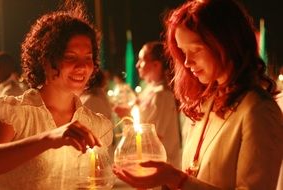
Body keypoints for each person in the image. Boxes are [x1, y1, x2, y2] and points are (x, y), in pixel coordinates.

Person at [113, 0, 283, 189]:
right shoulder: (208, 102)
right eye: (183, 52)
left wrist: (175, 178)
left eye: (195, 50)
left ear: (227, 43)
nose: (187, 62)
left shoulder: (259, 110)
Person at [0, 2, 113, 190]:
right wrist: (49, 138)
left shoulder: (97, 126)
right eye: (70, 57)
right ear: (46, 60)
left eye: (88, 58)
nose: (82, 66)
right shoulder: (16, 114)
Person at [116, 41, 181, 169]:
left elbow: (155, 138)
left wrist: (128, 117)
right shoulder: (149, 90)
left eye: (141, 60)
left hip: (163, 167)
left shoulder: (162, 95)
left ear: (156, 65)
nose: (137, 64)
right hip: (146, 161)